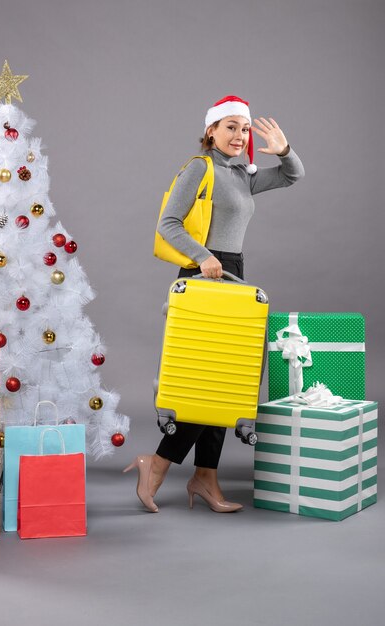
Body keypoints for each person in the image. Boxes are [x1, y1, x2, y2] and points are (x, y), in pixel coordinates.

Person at [124, 95, 305, 513]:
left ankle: (206, 476)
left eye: (244, 129)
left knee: (226, 381)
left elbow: (294, 176)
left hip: (234, 271)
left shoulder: (243, 175)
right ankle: (157, 464)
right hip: (203, 275)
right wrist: (203, 256)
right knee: (202, 382)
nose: (240, 136)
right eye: (230, 127)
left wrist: (284, 150)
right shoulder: (199, 168)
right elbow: (167, 222)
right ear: (211, 131)